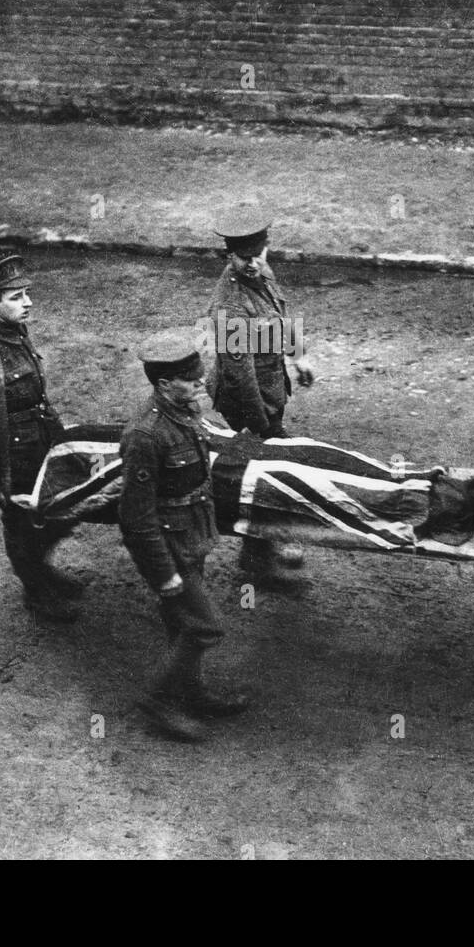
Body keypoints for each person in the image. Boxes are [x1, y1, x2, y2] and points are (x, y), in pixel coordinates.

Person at [119, 329, 252, 742]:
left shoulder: (185, 412)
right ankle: (156, 702)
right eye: (190, 379)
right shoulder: (146, 436)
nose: (200, 384)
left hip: (193, 534)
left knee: (182, 626)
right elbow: (135, 518)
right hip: (170, 547)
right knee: (205, 627)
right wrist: (164, 574)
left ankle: (191, 693)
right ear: (163, 383)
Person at [0, 255, 83, 623]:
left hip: (39, 444)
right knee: (23, 526)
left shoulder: (14, 334)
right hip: (13, 458)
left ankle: (41, 570)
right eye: (15, 297)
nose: (27, 303)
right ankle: (37, 592)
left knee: (57, 513)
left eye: (27, 294)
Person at [206, 207, 316, 594]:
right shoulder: (230, 306)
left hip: (271, 385)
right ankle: (258, 561)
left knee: (263, 467)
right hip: (247, 400)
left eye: (258, 255)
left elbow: (281, 314)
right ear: (229, 256)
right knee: (267, 464)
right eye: (243, 258)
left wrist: (298, 356)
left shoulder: (261, 272)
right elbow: (240, 376)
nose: (253, 264)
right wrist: (261, 425)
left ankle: (258, 555)